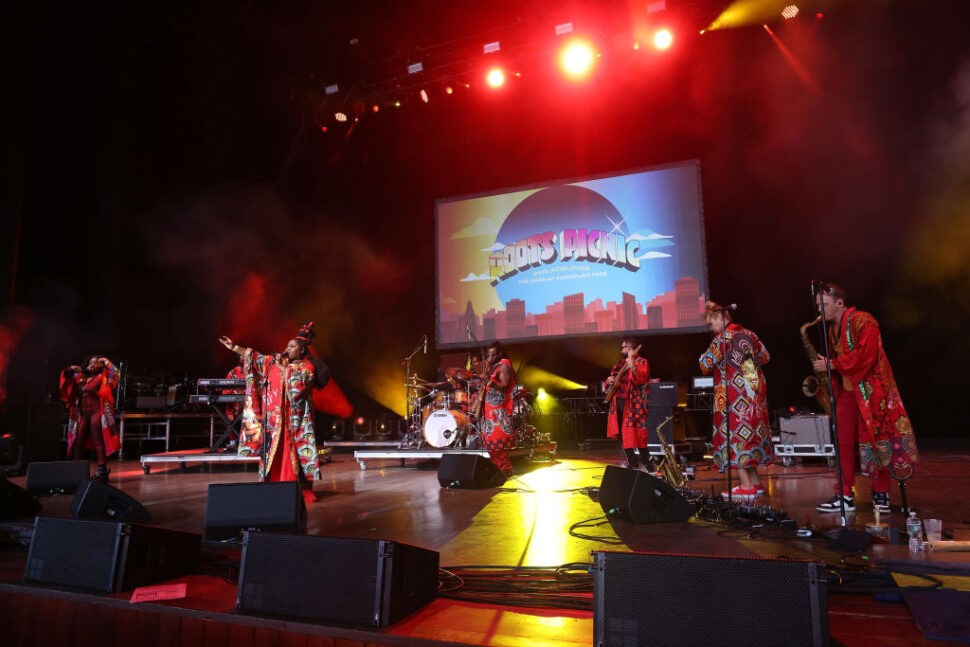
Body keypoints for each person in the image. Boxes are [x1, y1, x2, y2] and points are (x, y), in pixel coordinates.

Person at [811, 283, 918, 513]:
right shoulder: (832, 331)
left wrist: (832, 364)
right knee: (843, 442)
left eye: (824, 305)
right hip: (849, 392)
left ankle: (881, 494)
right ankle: (844, 494)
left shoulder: (863, 321)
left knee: (876, 440)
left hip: (872, 392)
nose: (820, 310)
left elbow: (866, 355)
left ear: (839, 303)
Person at [220, 321, 321, 504]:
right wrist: (234, 347)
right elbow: (255, 357)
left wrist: (283, 369)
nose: (286, 349)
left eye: (292, 346)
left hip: (295, 423)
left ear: (302, 351)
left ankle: (298, 490)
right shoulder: (274, 363)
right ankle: (272, 487)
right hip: (274, 423)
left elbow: (297, 388)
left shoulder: (307, 368)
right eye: (286, 345)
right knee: (271, 456)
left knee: (294, 458)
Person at [699, 302, 773, 500]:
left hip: (733, 397)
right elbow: (765, 357)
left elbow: (705, 365)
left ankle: (746, 485)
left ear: (719, 318)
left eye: (710, 324)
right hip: (754, 396)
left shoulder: (722, 339)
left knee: (735, 437)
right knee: (750, 436)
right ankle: (756, 483)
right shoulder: (750, 334)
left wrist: (705, 358)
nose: (710, 329)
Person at [59, 356, 120, 483]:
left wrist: (106, 361)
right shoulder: (81, 378)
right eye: (90, 362)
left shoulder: (103, 378)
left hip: (96, 413)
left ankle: (102, 471)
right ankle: (76, 470)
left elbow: (115, 372)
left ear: (100, 366)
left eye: (95, 362)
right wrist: (71, 368)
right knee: (78, 442)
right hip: (82, 414)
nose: (92, 364)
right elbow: (65, 375)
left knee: (98, 441)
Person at [604, 338, 650, 469]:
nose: (621, 350)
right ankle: (632, 461)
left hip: (633, 404)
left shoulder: (642, 362)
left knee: (638, 434)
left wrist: (633, 367)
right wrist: (609, 380)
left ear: (629, 348)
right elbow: (609, 386)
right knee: (620, 434)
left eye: (623, 348)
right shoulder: (618, 364)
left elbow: (640, 379)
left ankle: (647, 462)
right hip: (617, 403)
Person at [474, 341, 515, 481]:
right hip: (489, 411)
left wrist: (489, 381)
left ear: (500, 354)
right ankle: (498, 470)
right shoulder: (491, 368)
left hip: (499, 412)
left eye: (493, 355)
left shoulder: (504, 366)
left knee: (499, 445)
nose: (490, 357)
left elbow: (504, 385)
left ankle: (505, 471)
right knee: (491, 446)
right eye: (488, 355)